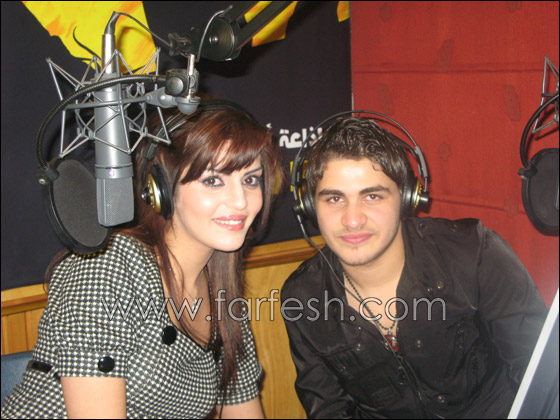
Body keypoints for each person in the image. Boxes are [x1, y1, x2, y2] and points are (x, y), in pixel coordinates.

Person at [1, 100, 281, 419]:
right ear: (160, 189)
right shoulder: (106, 269)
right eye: (213, 181)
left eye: (250, 180)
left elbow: (242, 409)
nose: (241, 201)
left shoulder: (222, 293)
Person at [281, 116, 547, 418]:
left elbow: (538, 372)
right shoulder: (302, 297)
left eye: (372, 196)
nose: (352, 220)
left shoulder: (474, 253)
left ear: (407, 198)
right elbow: (329, 410)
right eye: (334, 199)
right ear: (309, 206)